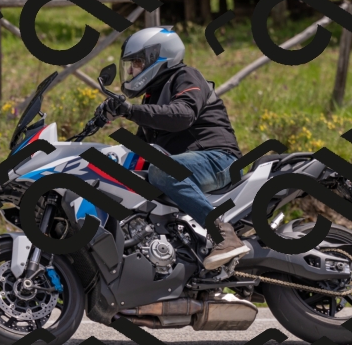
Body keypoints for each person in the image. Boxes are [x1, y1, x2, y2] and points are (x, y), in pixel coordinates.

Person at [98, 27, 250, 270]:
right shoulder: (152, 97)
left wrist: (130, 111)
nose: (131, 71)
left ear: (158, 57)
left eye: (136, 63)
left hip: (219, 159)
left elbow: (183, 115)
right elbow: (141, 150)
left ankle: (222, 233)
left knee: (163, 170)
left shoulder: (185, 76)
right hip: (190, 164)